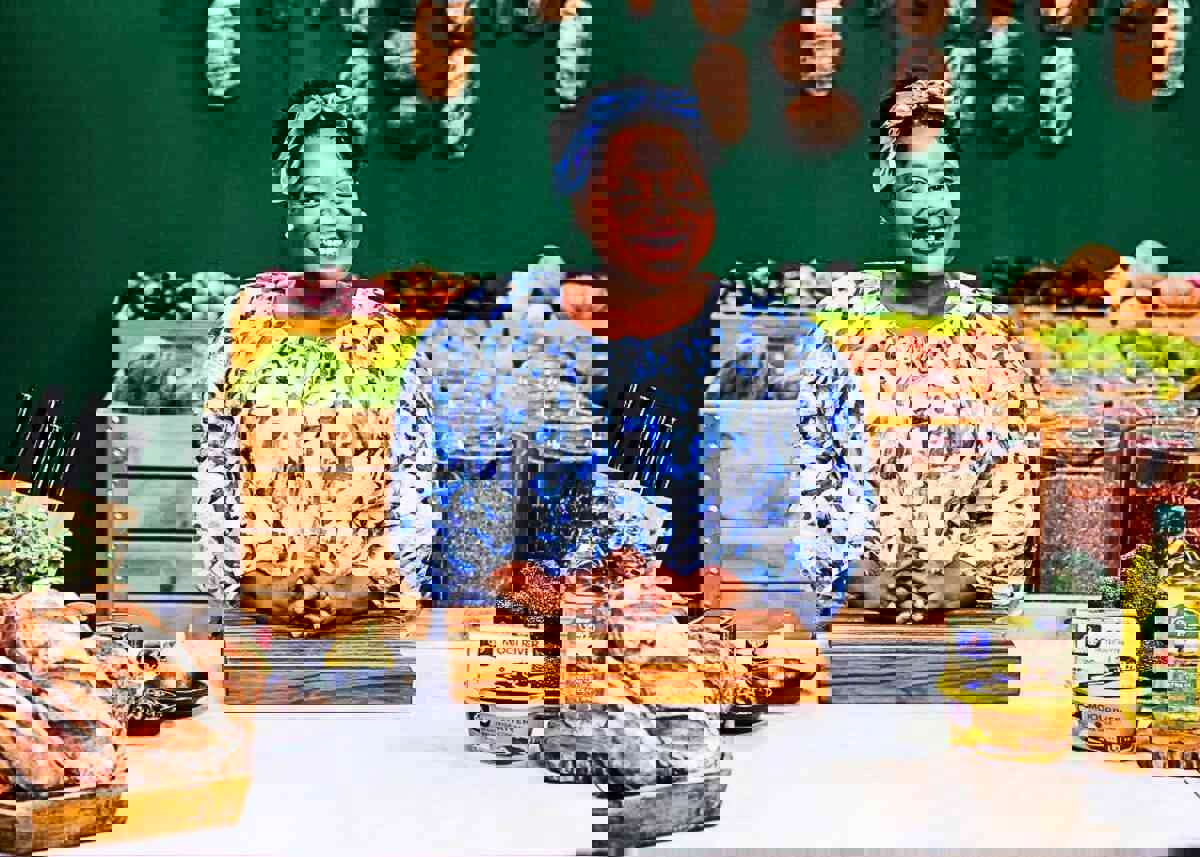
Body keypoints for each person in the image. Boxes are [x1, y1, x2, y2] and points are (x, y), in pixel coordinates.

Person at [197, 81, 434, 634]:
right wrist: (229, 605)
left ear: (360, 211)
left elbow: (413, 479)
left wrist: (389, 597)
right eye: (311, 198)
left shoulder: (390, 336)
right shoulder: (244, 326)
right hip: (258, 626)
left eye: (342, 197)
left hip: (369, 625)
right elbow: (215, 471)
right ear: (287, 210)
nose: (329, 217)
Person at [814, 72, 1039, 623]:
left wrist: (960, 578)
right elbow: (813, 481)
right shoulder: (836, 331)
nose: (932, 208)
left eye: (947, 186)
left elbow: (1013, 495)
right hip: (853, 626)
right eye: (916, 186)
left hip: (967, 630)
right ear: (885, 196)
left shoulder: (992, 336)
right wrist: (858, 578)